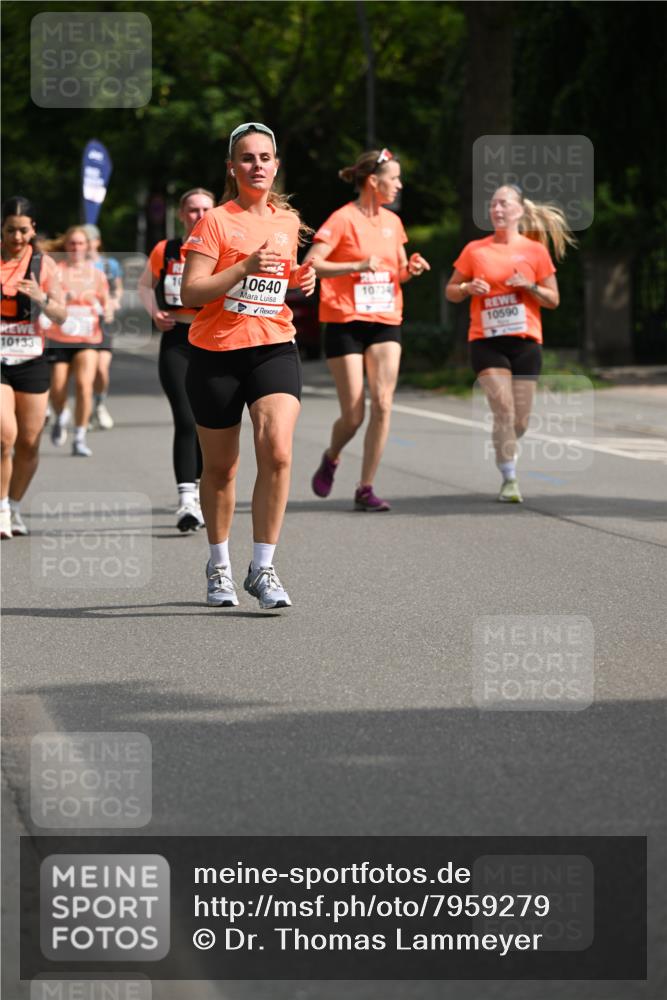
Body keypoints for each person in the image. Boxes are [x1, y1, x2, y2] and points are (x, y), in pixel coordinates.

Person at [180, 122, 316, 609]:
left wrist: (302, 276)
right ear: (232, 168)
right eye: (247, 158)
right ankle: (219, 566)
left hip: (274, 344)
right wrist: (241, 269)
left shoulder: (287, 220)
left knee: (277, 450)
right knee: (221, 467)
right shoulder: (215, 221)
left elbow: (278, 280)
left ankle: (263, 567)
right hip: (216, 353)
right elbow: (189, 292)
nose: (257, 166)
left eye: (265, 157)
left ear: (276, 164)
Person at [304, 148, 430, 511]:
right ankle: (332, 455)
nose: (400, 184)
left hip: (386, 320)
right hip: (345, 322)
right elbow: (311, 264)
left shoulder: (393, 222)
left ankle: (365, 487)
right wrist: (356, 264)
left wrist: (413, 268)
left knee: (385, 403)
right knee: (354, 415)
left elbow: (399, 270)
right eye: (395, 178)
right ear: (373, 182)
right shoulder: (343, 219)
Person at [446, 183, 576, 502]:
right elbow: (451, 290)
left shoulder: (535, 251)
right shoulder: (475, 250)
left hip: (525, 341)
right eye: (493, 205)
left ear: (519, 210)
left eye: (504, 204)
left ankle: (504, 445)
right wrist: (466, 288)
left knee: (520, 420)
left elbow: (554, 299)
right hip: (486, 341)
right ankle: (510, 479)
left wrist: (529, 286)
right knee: (502, 408)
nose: (497, 210)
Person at [139, 188, 215, 533]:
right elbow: (144, 285)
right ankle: (187, 499)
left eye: (205, 210)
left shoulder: (222, 248)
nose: (199, 216)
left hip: (214, 341)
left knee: (208, 421)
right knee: (185, 418)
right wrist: (155, 313)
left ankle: (201, 491)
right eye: (193, 210)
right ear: (182, 215)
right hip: (177, 340)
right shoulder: (166, 250)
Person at [1, 196, 66, 538]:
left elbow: (61, 315)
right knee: (4, 435)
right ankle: (0, 509)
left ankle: (13, 505)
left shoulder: (44, 265)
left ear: (33, 229)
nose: (16, 237)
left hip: (32, 357)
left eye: (23, 230)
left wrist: (41, 298)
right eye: (10, 230)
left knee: (28, 440)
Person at [44, 226, 112, 457]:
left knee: (84, 385)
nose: (76, 248)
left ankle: (80, 437)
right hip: (59, 338)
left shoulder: (97, 274)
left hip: (88, 337)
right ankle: (61, 414)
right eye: (72, 244)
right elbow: (49, 301)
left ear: (88, 246)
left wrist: (108, 309)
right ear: (66, 247)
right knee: (57, 388)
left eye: (80, 244)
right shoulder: (56, 272)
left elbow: (106, 301)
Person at [82, 223, 123, 430]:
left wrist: (114, 302)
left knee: (101, 368)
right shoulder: (73, 265)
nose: (87, 245)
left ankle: (99, 404)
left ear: (98, 242)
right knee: (86, 369)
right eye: (83, 240)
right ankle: (86, 408)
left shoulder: (109, 265)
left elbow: (117, 289)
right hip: (83, 322)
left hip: (104, 321)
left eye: (91, 240)